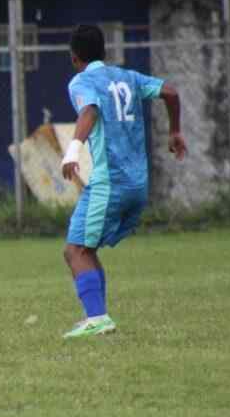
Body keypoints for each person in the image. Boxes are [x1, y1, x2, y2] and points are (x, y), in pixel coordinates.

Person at [59, 24, 185, 339]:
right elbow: (170, 91)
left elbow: (89, 110)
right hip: (138, 184)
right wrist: (174, 131)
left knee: (75, 250)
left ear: (74, 57)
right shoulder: (127, 77)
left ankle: (98, 318)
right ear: (104, 51)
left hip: (109, 183)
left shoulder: (82, 81)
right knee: (87, 248)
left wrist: (72, 150)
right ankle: (97, 317)